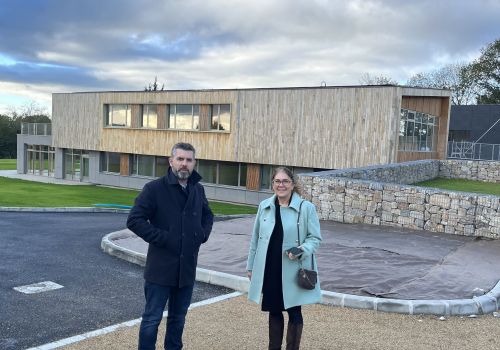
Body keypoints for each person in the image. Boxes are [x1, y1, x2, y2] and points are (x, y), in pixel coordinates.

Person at [127, 142, 214, 350]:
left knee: (178, 319)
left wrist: (201, 235)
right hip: (160, 269)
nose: (184, 164)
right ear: (171, 161)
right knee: (151, 319)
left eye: (189, 160)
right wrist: (164, 238)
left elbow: (208, 215)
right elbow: (134, 220)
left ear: (194, 163)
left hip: (186, 269)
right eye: (180, 159)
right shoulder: (154, 189)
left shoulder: (198, 189)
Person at [246, 167, 322, 350]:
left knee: (294, 312)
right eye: (277, 181)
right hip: (270, 268)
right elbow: (255, 239)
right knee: (274, 310)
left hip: (293, 269)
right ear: (272, 184)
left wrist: (300, 249)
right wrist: (251, 266)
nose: (281, 185)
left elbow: (315, 238)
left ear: (292, 184)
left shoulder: (306, 208)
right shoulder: (264, 207)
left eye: (285, 181)